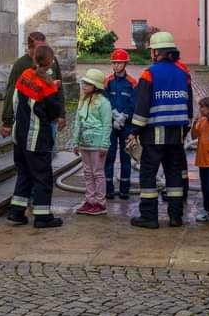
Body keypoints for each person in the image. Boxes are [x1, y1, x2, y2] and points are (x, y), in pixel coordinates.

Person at [128, 31, 193, 229]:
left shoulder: (150, 73)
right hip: (176, 135)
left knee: (148, 175)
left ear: (157, 52)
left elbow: (142, 105)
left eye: (152, 50)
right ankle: (175, 217)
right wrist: (185, 130)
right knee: (174, 176)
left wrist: (134, 131)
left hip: (154, 135)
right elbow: (189, 106)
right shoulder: (183, 73)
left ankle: (149, 217)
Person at [6, 45, 64, 228]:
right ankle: (42, 216)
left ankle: (16, 211)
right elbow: (53, 112)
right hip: (37, 137)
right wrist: (54, 88)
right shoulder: (46, 85)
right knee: (42, 176)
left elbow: (15, 101)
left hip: (20, 135)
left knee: (24, 174)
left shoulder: (25, 76)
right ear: (50, 63)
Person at [1, 31, 66, 140]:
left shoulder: (52, 60)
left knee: (49, 153)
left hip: (50, 118)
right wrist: (7, 122)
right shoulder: (21, 65)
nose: (44, 51)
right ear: (30, 48)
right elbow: (11, 92)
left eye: (45, 46)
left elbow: (59, 89)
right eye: (40, 48)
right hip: (30, 121)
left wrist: (61, 114)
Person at [73, 69, 113, 216]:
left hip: (97, 144)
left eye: (88, 83)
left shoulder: (104, 103)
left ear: (96, 86)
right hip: (84, 143)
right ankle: (90, 201)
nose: (84, 86)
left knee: (98, 173)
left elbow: (107, 124)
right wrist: (76, 142)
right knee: (88, 173)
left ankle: (100, 203)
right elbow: (78, 121)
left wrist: (104, 144)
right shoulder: (82, 101)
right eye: (84, 82)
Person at [104, 49, 137, 200]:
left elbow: (134, 102)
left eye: (119, 63)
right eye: (114, 63)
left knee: (125, 157)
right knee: (109, 156)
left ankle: (124, 190)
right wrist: (114, 114)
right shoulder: (108, 81)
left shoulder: (132, 83)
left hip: (126, 125)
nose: (116, 65)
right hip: (111, 124)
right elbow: (105, 100)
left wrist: (124, 116)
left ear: (125, 64)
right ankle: (108, 189)